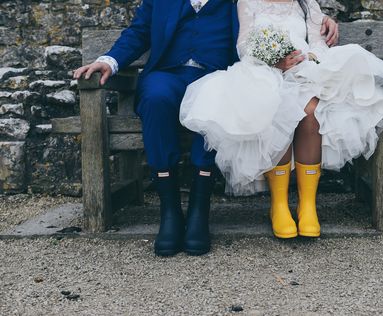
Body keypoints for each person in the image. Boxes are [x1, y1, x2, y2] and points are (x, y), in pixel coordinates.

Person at [73, 0, 342, 254]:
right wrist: (109, 61)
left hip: (213, 72)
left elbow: (270, 14)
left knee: (216, 97)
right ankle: (170, 212)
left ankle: (199, 209)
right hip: (167, 73)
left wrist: (319, 17)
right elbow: (139, 31)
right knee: (155, 98)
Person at [180, 0, 383, 239]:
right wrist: (273, 59)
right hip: (263, 73)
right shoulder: (247, 2)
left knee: (311, 112)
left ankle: (307, 205)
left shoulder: (306, 4)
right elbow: (243, 45)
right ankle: (279, 205)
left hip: (304, 72)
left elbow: (317, 42)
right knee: (277, 107)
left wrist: (310, 57)